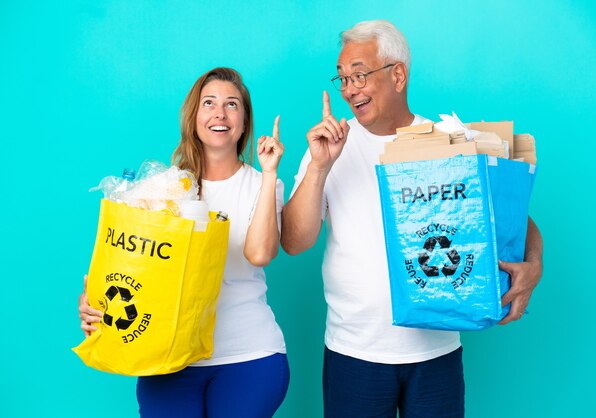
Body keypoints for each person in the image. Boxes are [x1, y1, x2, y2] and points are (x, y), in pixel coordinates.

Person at [281, 20, 543, 418]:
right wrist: (319, 168)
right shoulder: (329, 147)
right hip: (353, 351)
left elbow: (514, 218)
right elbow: (295, 241)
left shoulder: (449, 142)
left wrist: (534, 265)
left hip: (436, 351)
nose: (349, 89)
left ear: (398, 74)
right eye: (342, 79)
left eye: (359, 75)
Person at [78, 67, 289, 418]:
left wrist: (269, 175)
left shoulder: (263, 183)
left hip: (248, 356)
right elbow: (129, 264)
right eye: (209, 103)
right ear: (194, 117)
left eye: (232, 105)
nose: (220, 114)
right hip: (167, 357)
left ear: (244, 121)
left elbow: (260, 253)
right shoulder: (159, 189)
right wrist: (94, 301)